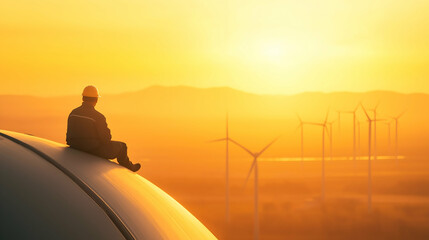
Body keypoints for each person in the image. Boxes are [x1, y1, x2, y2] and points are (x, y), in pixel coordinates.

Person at [66, 85, 141, 172]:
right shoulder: (98, 117)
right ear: (96, 100)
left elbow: (69, 135)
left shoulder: (73, 113)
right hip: (93, 150)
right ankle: (130, 167)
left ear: (83, 98)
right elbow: (106, 139)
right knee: (122, 146)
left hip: (74, 146)